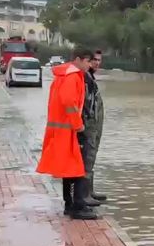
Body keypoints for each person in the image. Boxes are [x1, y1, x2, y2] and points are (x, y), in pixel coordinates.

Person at [36, 48, 99, 220]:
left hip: (62, 128)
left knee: (69, 168)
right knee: (77, 168)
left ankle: (70, 204)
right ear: (78, 59)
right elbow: (69, 102)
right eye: (87, 61)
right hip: (69, 129)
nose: (90, 65)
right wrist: (78, 125)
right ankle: (77, 206)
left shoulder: (64, 75)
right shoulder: (73, 76)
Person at [82, 49, 106, 206]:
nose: (97, 63)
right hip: (88, 127)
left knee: (91, 157)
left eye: (99, 60)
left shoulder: (91, 79)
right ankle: (84, 195)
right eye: (94, 60)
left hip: (94, 127)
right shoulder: (85, 79)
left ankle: (89, 192)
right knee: (87, 158)